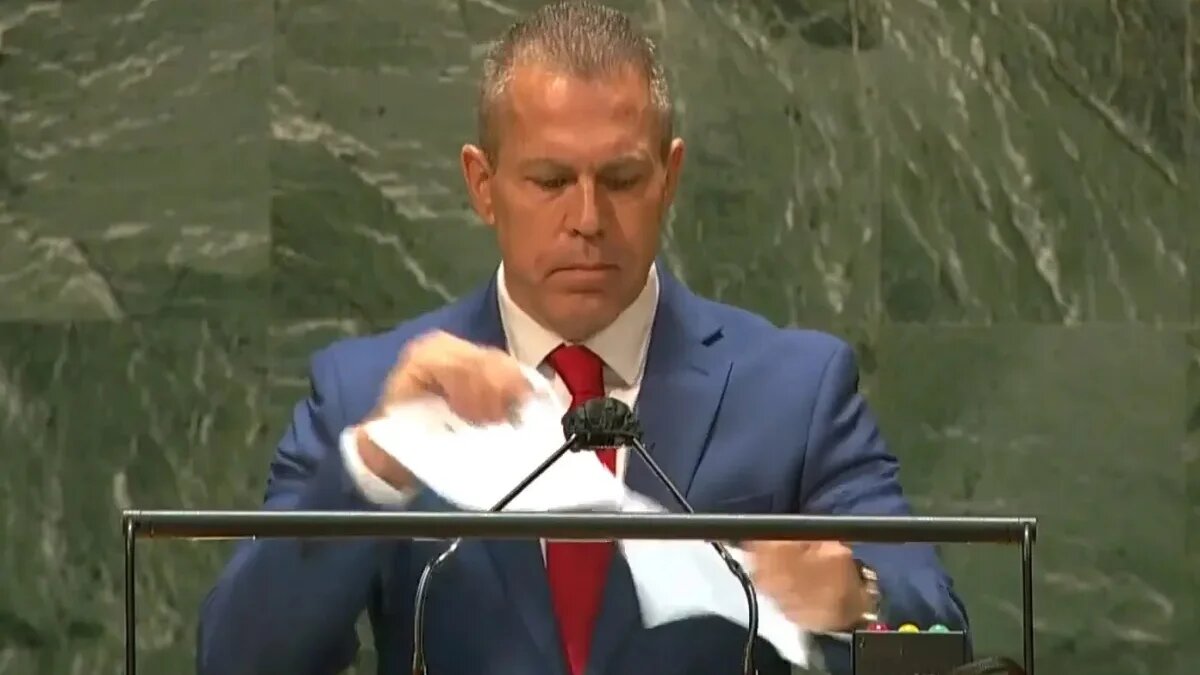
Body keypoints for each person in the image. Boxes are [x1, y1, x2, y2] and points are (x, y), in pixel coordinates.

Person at [196, 2, 968, 674]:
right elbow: (236, 659)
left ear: (668, 178)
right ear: (483, 185)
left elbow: (942, 645)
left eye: (622, 180)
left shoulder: (793, 389)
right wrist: (372, 470)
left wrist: (857, 598)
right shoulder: (364, 394)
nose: (589, 219)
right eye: (551, 181)